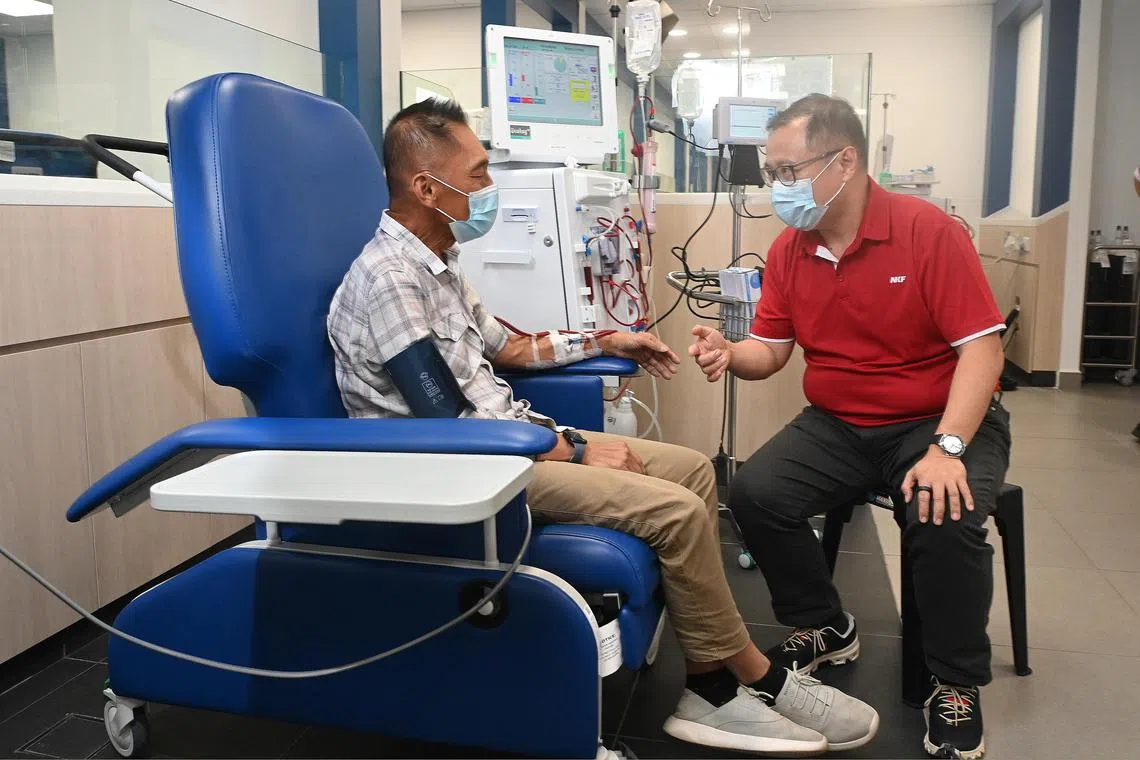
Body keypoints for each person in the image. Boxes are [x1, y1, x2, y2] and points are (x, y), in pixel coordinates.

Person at [327, 97, 879, 754]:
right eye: (477, 176)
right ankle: (753, 675)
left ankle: (707, 684)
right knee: (673, 512)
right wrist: (571, 451)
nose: (489, 190)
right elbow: (448, 423)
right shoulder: (389, 277)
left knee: (694, 470)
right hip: (470, 474)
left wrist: (608, 338)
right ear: (426, 186)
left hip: (513, 447)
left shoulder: (439, 265)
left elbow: (508, 346)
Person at [689, 93, 1010, 760]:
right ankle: (827, 624)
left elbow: (982, 349)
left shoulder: (928, 232)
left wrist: (950, 447)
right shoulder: (789, 250)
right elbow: (771, 351)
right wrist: (730, 353)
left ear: (846, 160)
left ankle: (954, 682)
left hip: (938, 415)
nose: (778, 187)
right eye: (771, 172)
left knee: (943, 510)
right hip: (839, 423)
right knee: (755, 493)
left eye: (787, 170)